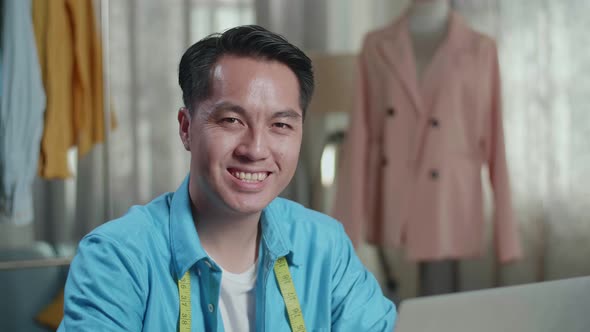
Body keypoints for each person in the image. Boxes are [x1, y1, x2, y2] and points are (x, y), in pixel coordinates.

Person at [58, 25, 396, 331]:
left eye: (281, 125)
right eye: (232, 120)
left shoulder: (325, 246)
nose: (256, 149)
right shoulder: (117, 258)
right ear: (186, 128)